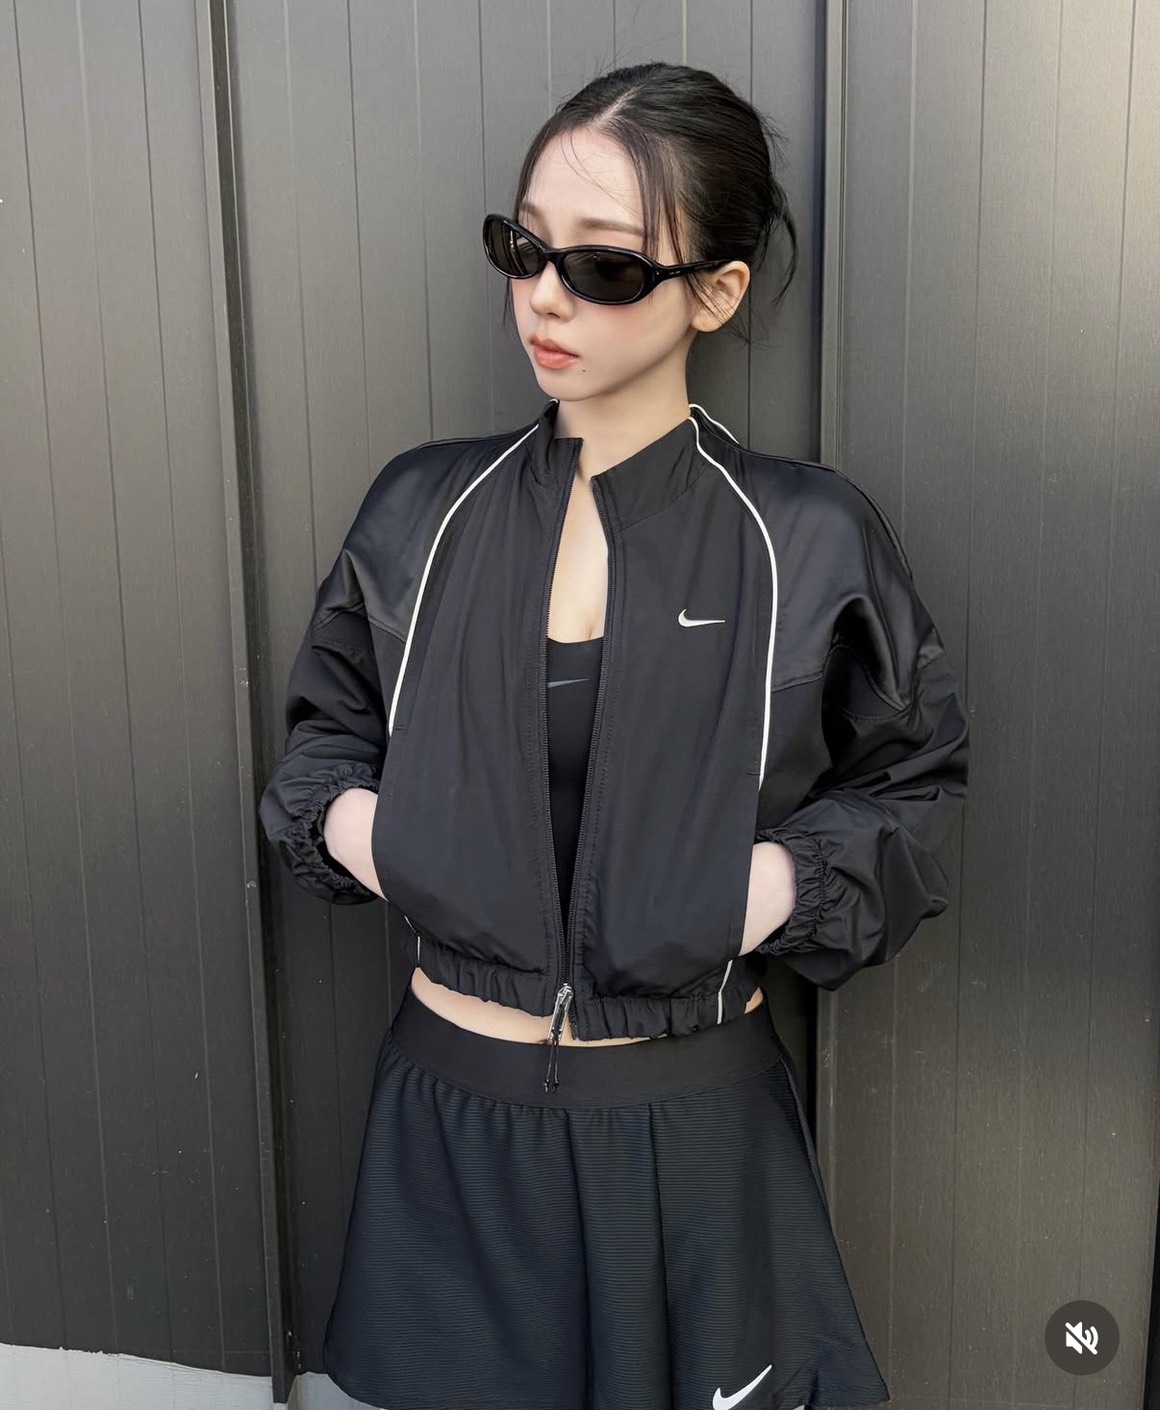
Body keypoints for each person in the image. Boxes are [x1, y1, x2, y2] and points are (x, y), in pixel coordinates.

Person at [259, 61, 968, 1410]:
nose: (545, 295)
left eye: (605, 267)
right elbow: (321, 742)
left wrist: (758, 889)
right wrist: (383, 837)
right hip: (448, 1115)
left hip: (689, 1125)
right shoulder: (421, 511)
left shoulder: (807, 536)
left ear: (717, 291)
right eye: (523, 248)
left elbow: (915, 782)